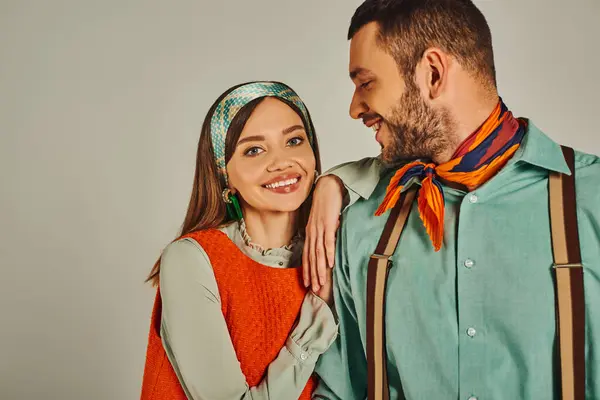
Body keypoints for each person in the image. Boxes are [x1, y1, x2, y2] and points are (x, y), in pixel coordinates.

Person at [303, 1, 600, 399]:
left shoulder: (592, 200)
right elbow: (340, 390)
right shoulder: (362, 222)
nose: (355, 107)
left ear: (433, 73)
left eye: (366, 82)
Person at [139, 81, 338, 400]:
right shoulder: (192, 259)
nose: (282, 162)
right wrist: (318, 315)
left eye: (295, 140)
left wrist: (334, 184)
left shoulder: (330, 248)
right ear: (224, 173)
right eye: (254, 150)